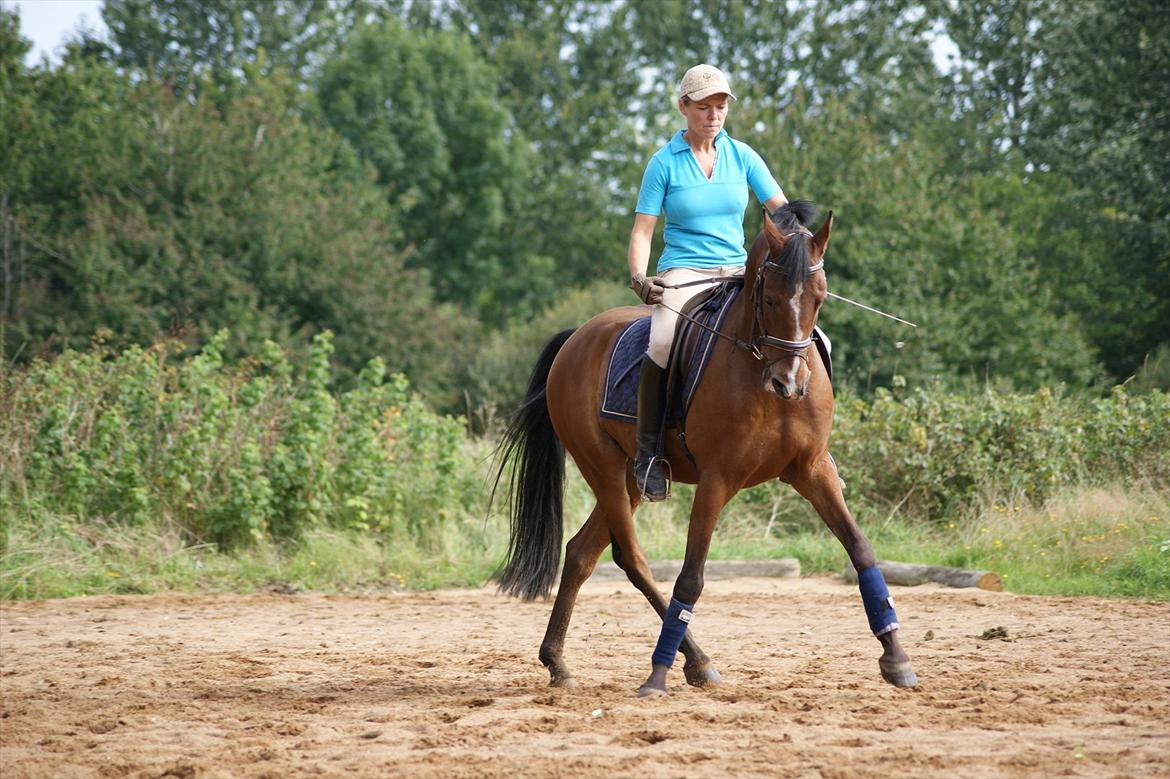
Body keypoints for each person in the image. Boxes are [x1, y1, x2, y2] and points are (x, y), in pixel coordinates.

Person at [627, 63, 788, 501]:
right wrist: (640, 277)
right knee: (661, 339)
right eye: (704, 107)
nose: (714, 115)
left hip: (738, 270)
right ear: (684, 107)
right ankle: (648, 456)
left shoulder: (744, 156)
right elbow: (643, 230)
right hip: (685, 272)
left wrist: (797, 246)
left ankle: (816, 445)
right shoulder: (663, 163)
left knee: (810, 337)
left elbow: (781, 209)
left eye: (720, 106)